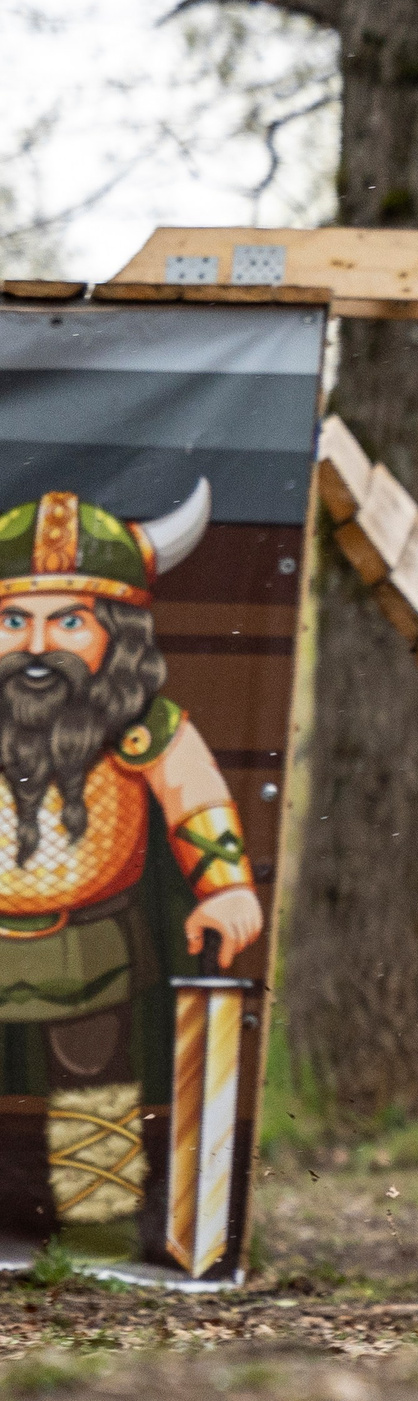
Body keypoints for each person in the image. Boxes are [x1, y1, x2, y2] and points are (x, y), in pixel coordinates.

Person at [0, 482, 259, 1260]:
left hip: (94, 950)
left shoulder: (145, 729)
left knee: (93, 1084)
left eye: (68, 621)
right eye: (14, 619)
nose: (37, 644)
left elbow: (197, 801)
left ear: (114, 631)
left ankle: (97, 1227)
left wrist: (228, 886)